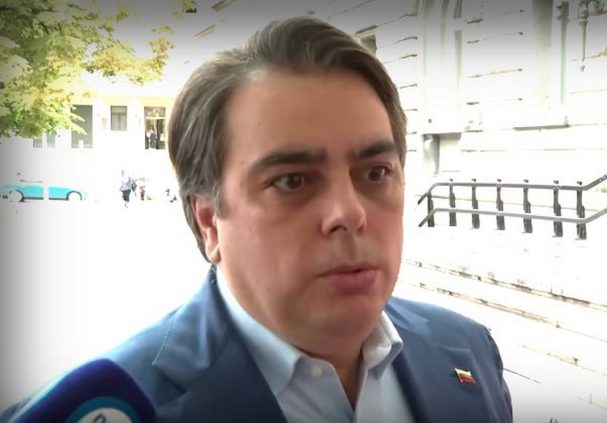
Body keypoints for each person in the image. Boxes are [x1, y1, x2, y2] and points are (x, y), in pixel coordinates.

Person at [1, 16, 512, 422]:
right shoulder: (113, 406)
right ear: (209, 222)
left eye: (376, 172)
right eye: (292, 181)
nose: (350, 213)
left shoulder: (467, 350)